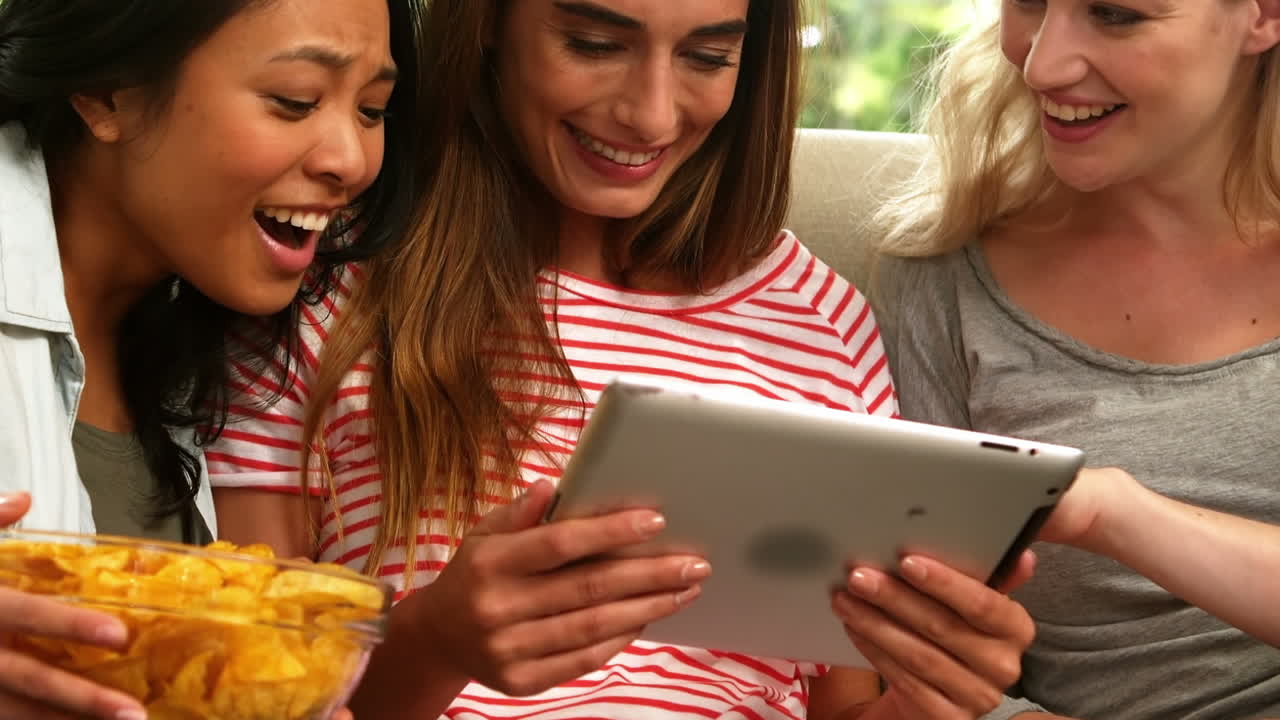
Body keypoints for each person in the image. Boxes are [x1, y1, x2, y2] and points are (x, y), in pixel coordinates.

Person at [209, 2, 1038, 719]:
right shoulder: (321, 286)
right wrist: (433, 642)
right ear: (490, 17)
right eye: (595, 44)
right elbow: (248, 695)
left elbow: (844, 708)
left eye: (709, 56)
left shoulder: (821, 322)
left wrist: (935, 696)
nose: (649, 114)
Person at [0, 0, 421, 717]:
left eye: (373, 109)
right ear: (107, 93)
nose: (349, 159)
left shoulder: (204, 342)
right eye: (295, 101)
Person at [870, 0, 1280, 717]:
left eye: (1116, 14)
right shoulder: (943, 277)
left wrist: (1115, 513)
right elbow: (926, 649)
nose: (1041, 63)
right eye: (1027, 2)